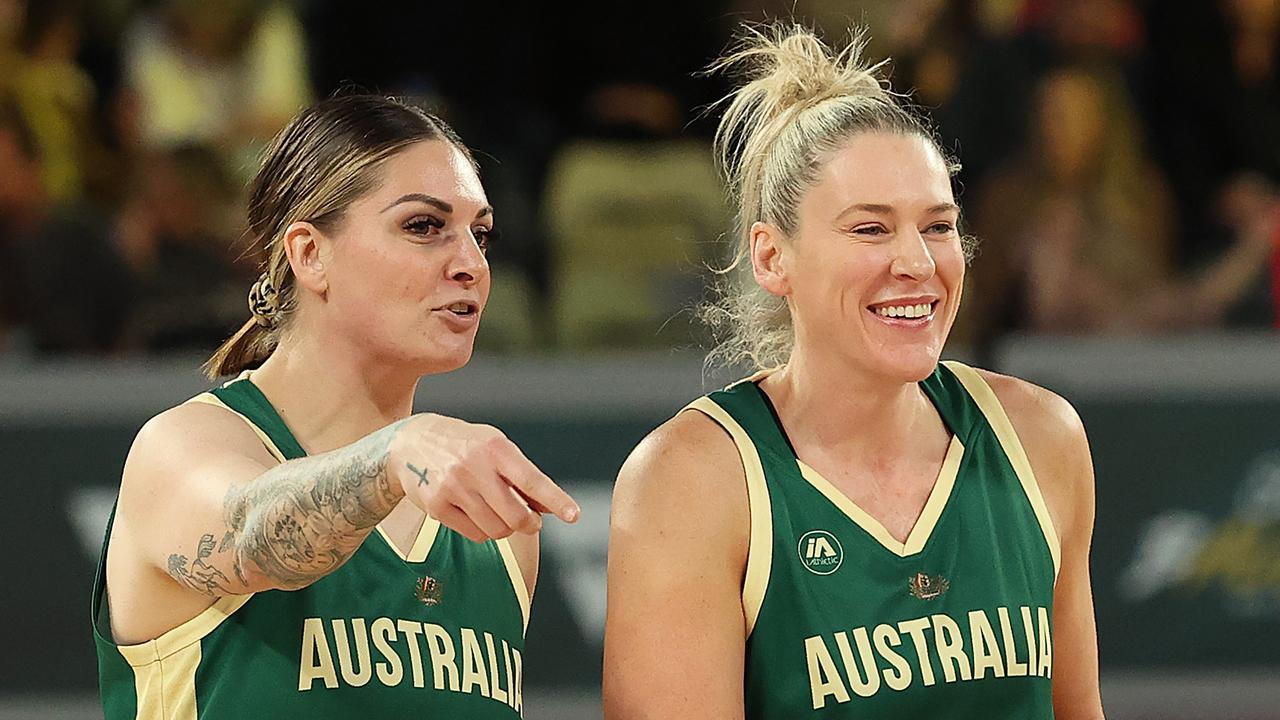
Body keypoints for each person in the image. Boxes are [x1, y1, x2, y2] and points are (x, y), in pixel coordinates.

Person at [604, 24, 1105, 719]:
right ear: (772, 257)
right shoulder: (693, 480)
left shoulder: (1041, 438)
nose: (918, 263)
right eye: (870, 229)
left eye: (937, 226)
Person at [92, 94, 580, 719]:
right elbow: (252, 536)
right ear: (309, 254)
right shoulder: (182, 448)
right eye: (424, 227)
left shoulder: (502, 534)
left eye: (479, 234)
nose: (472, 265)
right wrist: (391, 454)